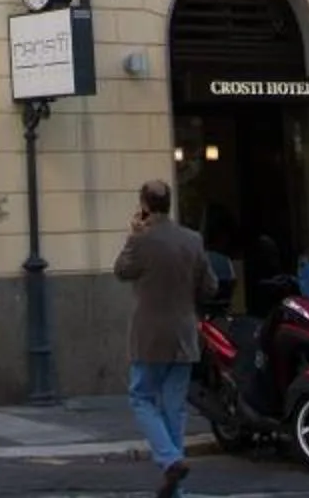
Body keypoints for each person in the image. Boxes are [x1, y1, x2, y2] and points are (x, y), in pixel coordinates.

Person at [114, 179, 209, 498]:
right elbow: (209, 286)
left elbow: (121, 270)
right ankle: (176, 488)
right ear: (169, 203)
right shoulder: (193, 240)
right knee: (174, 408)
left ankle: (170, 460)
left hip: (149, 337)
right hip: (183, 335)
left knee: (141, 397)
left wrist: (133, 235)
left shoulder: (141, 241)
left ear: (144, 205)